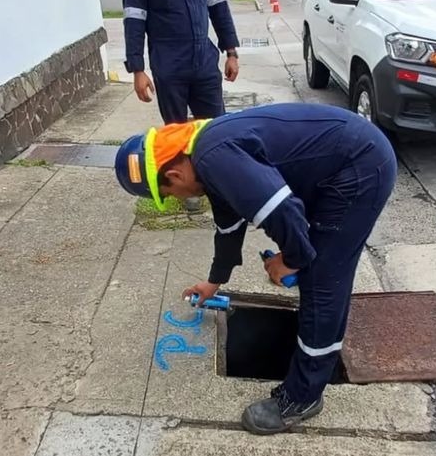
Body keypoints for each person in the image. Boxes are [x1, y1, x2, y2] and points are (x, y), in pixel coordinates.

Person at [114, 103, 397, 435]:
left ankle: (303, 396)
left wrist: (290, 260)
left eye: (169, 194)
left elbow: (286, 213)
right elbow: (229, 228)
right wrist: (214, 282)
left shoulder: (213, 157)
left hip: (359, 167)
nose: (177, 199)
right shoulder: (204, 156)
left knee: (322, 279)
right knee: (314, 265)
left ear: (174, 175)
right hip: (343, 162)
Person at [122, 0, 240, 124]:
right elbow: (134, 16)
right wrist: (137, 70)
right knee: (176, 135)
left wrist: (231, 53)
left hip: (204, 63)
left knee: (216, 130)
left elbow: (218, 4)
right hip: (169, 66)